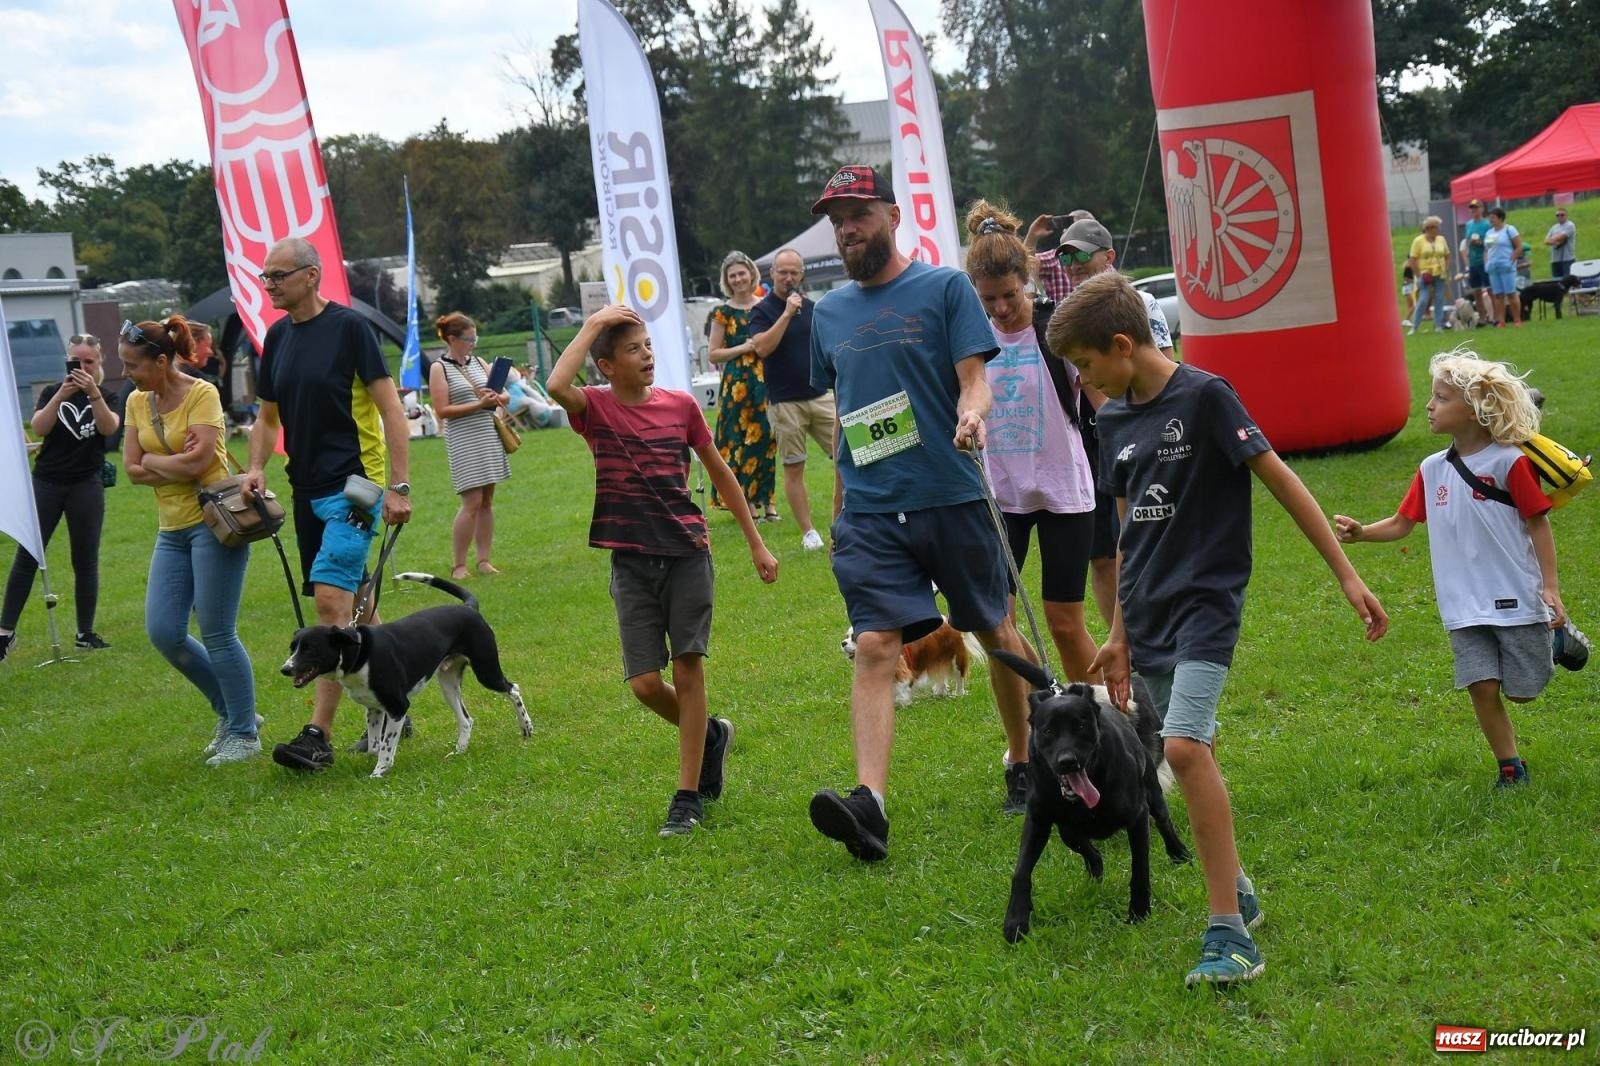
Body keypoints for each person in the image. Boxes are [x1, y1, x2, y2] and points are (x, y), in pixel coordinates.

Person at [1046, 271, 1388, 985]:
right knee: (1191, 749)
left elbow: (1281, 481)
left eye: (1084, 365)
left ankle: (1230, 936)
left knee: (1183, 749)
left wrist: (1347, 575)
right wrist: (1118, 630)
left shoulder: (1206, 398)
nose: (1083, 382)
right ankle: (1238, 887)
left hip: (1206, 606)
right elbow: (1127, 529)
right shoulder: (1112, 421)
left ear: (1120, 343)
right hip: (1149, 617)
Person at [804, 164, 1034, 861]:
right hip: (871, 512)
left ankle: (1025, 761)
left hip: (950, 493)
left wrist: (972, 415)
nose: (848, 228)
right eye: (838, 219)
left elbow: (975, 379)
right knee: (875, 644)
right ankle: (869, 805)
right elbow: (845, 411)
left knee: (993, 630)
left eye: (860, 214)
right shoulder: (827, 314)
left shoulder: (943, 289)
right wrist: (840, 505)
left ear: (892, 215)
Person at [547, 303, 778, 836]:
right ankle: (713, 737)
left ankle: (687, 794)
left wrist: (756, 544)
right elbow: (558, 384)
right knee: (646, 684)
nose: (647, 355)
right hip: (630, 562)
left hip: (687, 554)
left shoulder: (680, 406)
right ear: (606, 365)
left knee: (688, 670)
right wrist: (593, 325)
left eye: (648, 346)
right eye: (633, 349)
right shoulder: (596, 410)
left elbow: (722, 476)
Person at [1335, 351, 1565, 790]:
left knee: (1522, 690)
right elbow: (1403, 523)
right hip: (1462, 603)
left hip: (1515, 593)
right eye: (1432, 397)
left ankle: (1557, 636)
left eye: (1441, 398)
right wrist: (1363, 532)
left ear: (1475, 410)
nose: (1429, 406)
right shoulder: (1432, 469)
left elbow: (1538, 521)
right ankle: (1510, 766)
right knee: (1481, 686)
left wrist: (1550, 586)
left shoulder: (1509, 462)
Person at [240, 236, 414, 773]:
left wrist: (398, 487)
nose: (268, 284)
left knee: (332, 608)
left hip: (356, 489)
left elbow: (391, 412)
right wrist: (255, 466)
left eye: (277, 276)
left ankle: (318, 733)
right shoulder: (276, 337)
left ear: (311, 275)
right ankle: (394, 707)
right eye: (265, 277)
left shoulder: (350, 329)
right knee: (360, 602)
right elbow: (268, 419)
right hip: (304, 489)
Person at [964, 201, 1100, 683]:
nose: (1000, 308)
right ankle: (1038, 721)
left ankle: (1102, 720)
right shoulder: (970, 340)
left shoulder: (1057, 329)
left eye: (1008, 294)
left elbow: (1105, 401)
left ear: (1026, 279)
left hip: (1064, 492)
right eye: (987, 300)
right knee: (997, 625)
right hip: (1002, 499)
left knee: (1065, 623)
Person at [120, 317, 260, 766]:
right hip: (172, 529)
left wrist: (158, 462)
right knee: (164, 632)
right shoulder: (137, 402)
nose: (126, 374)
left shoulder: (203, 393)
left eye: (132, 365)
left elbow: (199, 464)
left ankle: (242, 734)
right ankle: (235, 714)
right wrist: (172, 461)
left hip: (215, 522)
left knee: (218, 632)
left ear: (161, 361)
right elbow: (130, 469)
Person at [1057, 216, 1175, 629]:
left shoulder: (1142, 304)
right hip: (1091, 446)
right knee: (1103, 554)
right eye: (1065, 256)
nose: (1073, 263)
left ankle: (1157, 629)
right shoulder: (1064, 316)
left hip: (1140, 435)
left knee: (1146, 540)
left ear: (1109, 256)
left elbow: (1167, 369)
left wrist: (1149, 433)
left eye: (1081, 254)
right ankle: (1120, 645)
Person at [0, 333, 120, 661]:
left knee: (85, 560)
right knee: (28, 555)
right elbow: (39, 428)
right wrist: (59, 397)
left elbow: (109, 429)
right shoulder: (54, 391)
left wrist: (92, 394)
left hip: (86, 485)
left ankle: (85, 632)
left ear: (100, 363)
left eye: (88, 362)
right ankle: (4, 632)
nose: (81, 368)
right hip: (46, 483)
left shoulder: (107, 395)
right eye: (74, 362)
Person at [747, 248, 835, 551]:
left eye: (794, 272)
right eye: (782, 272)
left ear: (802, 275)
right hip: (785, 402)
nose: (788, 278)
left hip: (821, 396)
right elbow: (762, 348)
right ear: (772, 274)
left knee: (848, 458)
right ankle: (809, 532)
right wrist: (786, 313)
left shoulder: (812, 309)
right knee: (794, 467)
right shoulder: (762, 311)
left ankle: (851, 517)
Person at [428, 312, 510, 580]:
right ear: (452, 339)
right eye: (469, 338)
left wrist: (497, 396)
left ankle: (484, 560)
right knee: (471, 501)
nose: (473, 343)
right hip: (463, 438)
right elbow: (442, 410)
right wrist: (479, 404)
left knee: (487, 500)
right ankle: (459, 565)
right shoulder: (440, 368)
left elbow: (504, 394)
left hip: (487, 434)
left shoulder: (480, 362)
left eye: (475, 338)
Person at [707, 250, 778, 521]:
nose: (738, 279)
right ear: (727, 280)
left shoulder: (766, 305)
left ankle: (768, 501)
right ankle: (747, 502)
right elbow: (713, 353)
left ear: (751, 274)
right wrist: (744, 347)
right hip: (737, 385)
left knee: (768, 442)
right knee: (739, 443)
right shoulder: (722, 313)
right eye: (732, 275)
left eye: (741, 273)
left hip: (766, 381)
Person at [1405, 216, 1450, 334]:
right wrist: (1419, 274)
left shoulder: (1441, 239)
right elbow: (1412, 259)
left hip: (1439, 273)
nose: (1438, 230)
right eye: (1436, 227)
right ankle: (1415, 326)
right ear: (1429, 228)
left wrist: (1446, 269)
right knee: (1423, 299)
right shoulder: (1418, 241)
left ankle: (1438, 325)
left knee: (1439, 298)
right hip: (1425, 274)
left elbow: (1447, 255)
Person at [1484, 207, 1523, 327]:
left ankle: (1517, 319)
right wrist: (1486, 261)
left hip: (1506, 265)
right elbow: (1487, 249)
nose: (1491, 220)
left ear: (1500, 218)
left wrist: (1511, 259)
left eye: (1493, 217)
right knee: (1498, 295)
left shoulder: (1509, 230)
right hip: (1493, 266)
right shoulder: (1489, 232)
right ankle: (1501, 321)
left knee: (1511, 293)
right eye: (1490, 217)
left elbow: (1518, 246)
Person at [1458, 198, 1494, 323]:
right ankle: (1482, 318)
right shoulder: (1468, 224)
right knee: (1476, 291)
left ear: (1482, 209)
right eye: (1472, 208)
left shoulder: (1487, 224)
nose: (1473, 210)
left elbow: (1491, 243)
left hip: (1484, 261)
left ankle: (1494, 317)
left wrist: (1480, 242)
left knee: (1490, 290)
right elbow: (1467, 242)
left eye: (1476, 207)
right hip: (1473, 262)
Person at [1544, 207, 1576, 280]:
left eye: (1562, 215)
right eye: (1557, 215)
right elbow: (1546, 241)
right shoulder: (1554, 227)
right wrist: (1556, 242)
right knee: (1556, 281)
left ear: (1566, 215)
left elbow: (1561, 236)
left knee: (1568, 281)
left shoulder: (1570, 225)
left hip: (1568, 259)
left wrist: (1553, 240)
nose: (1560, 217)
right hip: (1555, 259)